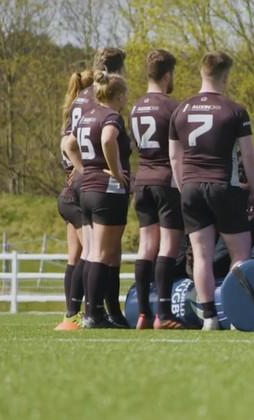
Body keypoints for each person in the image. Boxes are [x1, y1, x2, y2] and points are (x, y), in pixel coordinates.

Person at [169, 51, 254, 330]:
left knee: (201, 255)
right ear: (226, 76)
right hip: (224, 186)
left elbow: (174, 157)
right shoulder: (234, 110)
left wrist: (184, 188)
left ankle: (209, 317)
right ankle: (235, 315)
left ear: (201, 73)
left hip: (191, 187)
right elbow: (249, 156)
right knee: (240, 254)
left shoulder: (180, 110)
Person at [61, 47, 127, 326]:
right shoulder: (104, 104)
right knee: (103, 253)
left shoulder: (80, 98)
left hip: (79, 183)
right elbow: (108, 138)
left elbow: (67, 142)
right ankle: (97, 312)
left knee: (83, 253)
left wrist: (81, 169)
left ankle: (75, 314)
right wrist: (114, 171)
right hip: (102, 184)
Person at [130, 49, 184, 330]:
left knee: (145, 246)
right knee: (168, 246)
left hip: (142, 180)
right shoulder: (173, 107)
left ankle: (143, 313)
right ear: (167, 75)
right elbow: (181, 149)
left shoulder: (135, 107)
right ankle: (163, 313)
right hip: (166, 181)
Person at [54, 69, 94, 331]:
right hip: (78, 192)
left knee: (74, 256)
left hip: (66, 192)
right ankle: (79, 311)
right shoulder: (87, 117)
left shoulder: (69, 118)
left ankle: (70, 313)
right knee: (90, 252)